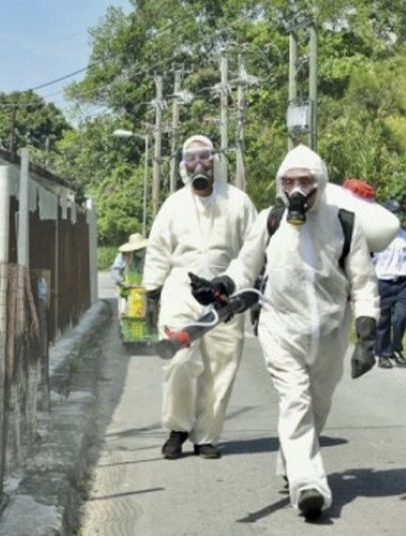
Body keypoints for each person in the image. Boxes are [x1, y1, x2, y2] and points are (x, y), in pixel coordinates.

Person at [194, 144, 380, 520]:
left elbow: (362, 283)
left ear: (320, 183)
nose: (297, 188)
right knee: (295, 401)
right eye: (289, 181)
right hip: (280, 327)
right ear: (280, 184)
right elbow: (244, 268)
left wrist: (367, 336)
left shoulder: (345, 222)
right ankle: (309, 485)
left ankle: (290, 463)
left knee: (317, 405)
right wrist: (220, 286)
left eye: (305, 180)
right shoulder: (270, 220)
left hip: (330, 332)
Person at [141, 134, 257, 461]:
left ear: (215, 161)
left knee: (221, 366)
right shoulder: (174, 205)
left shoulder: (238, 202)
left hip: (224, 291)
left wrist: (240, 286)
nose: (198, 164)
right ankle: (177, 429)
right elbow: (158, 249)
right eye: (191, 158)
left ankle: (206, 435)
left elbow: (253, 249)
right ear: (183, 166)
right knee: (180, 359)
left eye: (204, 156)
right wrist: (152, 290)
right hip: (181, 289)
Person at [372, 200, 406, 369]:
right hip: (382, 282)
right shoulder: (377, 237)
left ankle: (396, 349)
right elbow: (368, 261)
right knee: (383, 320)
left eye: (399, 213)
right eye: (393, 213)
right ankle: (383, 353)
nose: (397, 216)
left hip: (402, 282)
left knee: (401, 318)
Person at [112, 233, 149, 318]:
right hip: (126, 292)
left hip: (143, 291)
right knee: (125, 315)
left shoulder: (148, 255)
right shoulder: (123, 255)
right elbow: (115, 270)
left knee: (143, 316)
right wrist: (120, 280)